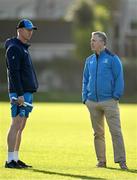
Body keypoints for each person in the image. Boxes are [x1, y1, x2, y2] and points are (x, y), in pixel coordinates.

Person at [82, 31, 128, 170]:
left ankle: (121, 161)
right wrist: (85, 97)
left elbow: (119, 78)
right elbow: (85, 79)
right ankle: (101, 161)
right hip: (92, 102)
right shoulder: (89, 60)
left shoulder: (113, 59)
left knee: (115, 132)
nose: (92, 42)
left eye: (94, 40)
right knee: (98, 133)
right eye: (91, 40)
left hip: (109, 101)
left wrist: (116, 96)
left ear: (103, 43)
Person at [5, 19, 38, 168]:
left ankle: (16, 158)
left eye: (32, 30)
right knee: (15, 124)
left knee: (21, 126)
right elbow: (14, 73)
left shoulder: (23, 48)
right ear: (20, 30)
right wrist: (19, 94)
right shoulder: (14, 48)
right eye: (28, 29)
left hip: (26, 92)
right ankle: (9, 160)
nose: (30, 32)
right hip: (19, 93)